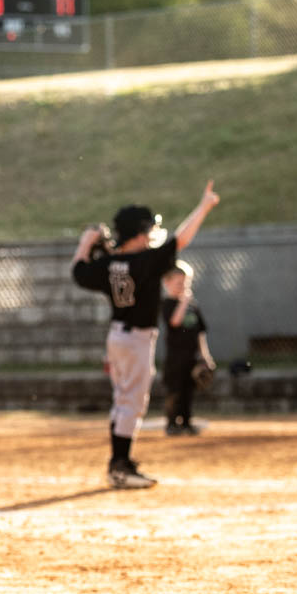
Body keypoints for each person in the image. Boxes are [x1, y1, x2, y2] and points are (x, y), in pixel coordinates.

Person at [71, 181, 221, 488]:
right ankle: (121, 465)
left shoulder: (108, 263)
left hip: (116, 338)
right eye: (148, 230)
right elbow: (181, 239)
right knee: (132, 403)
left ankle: (119, 462)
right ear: (139, 234)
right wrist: (204, 206)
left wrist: (86, 241)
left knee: (122, 401)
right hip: (136, 339)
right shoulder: (145, 260)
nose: (151, 234)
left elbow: (78, 271)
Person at [160, 260, 216, 436]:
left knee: (188, 391)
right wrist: (183, 302)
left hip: (192, 356)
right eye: (178, 283)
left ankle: (186, 423)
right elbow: (175, 322)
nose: (183, 287)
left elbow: (200, 332)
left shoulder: (193, 305)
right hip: (175, 358)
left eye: (185, 283)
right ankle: (171, 423)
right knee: (175, 390)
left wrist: (205, 355)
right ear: (167, 283)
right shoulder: (168, 303)